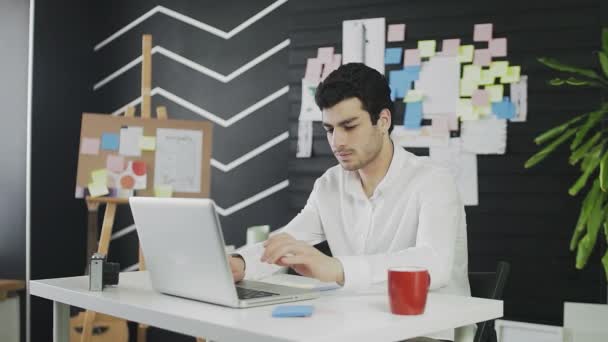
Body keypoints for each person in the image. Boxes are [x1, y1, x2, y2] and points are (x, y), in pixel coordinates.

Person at [229, 63, 471, 341]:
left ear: (383, 121)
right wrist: (240, 263)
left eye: (349, 126)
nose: (337, 142)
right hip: (361, 328)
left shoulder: (434, 181)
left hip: (429, 334)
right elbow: (289, 242)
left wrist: (339, 269)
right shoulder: (329, 185)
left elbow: (433, 263)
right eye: (330, 129)